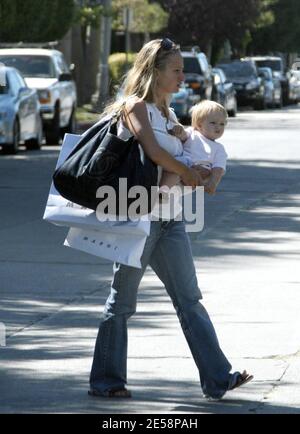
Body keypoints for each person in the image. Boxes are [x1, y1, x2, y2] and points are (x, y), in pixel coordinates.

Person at [88, 38, 253, 400]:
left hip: (171, 220)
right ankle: (106, 380)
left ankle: (217, 378)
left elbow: (178, 152)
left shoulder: (168, 112)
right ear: (156, 70)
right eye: (176, 70)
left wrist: (203, 169)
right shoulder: (135, 107)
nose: (183, 76)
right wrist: (186, 171)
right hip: (139, 219)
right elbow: (153, 151)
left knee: (189, 299)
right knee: (122, 302)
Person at [160, 100, 228, 197]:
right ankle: (163, 191)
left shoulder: (219, 148)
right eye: (213, 123)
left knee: (204, 172)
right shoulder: (192, 133)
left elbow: (218, 168)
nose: (218, 127)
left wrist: (212, 183)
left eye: (222, 124)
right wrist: (179, 131)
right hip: (184, 163)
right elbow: (184, 136)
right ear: (199, 125)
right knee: (174, 168)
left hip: (201, 171)